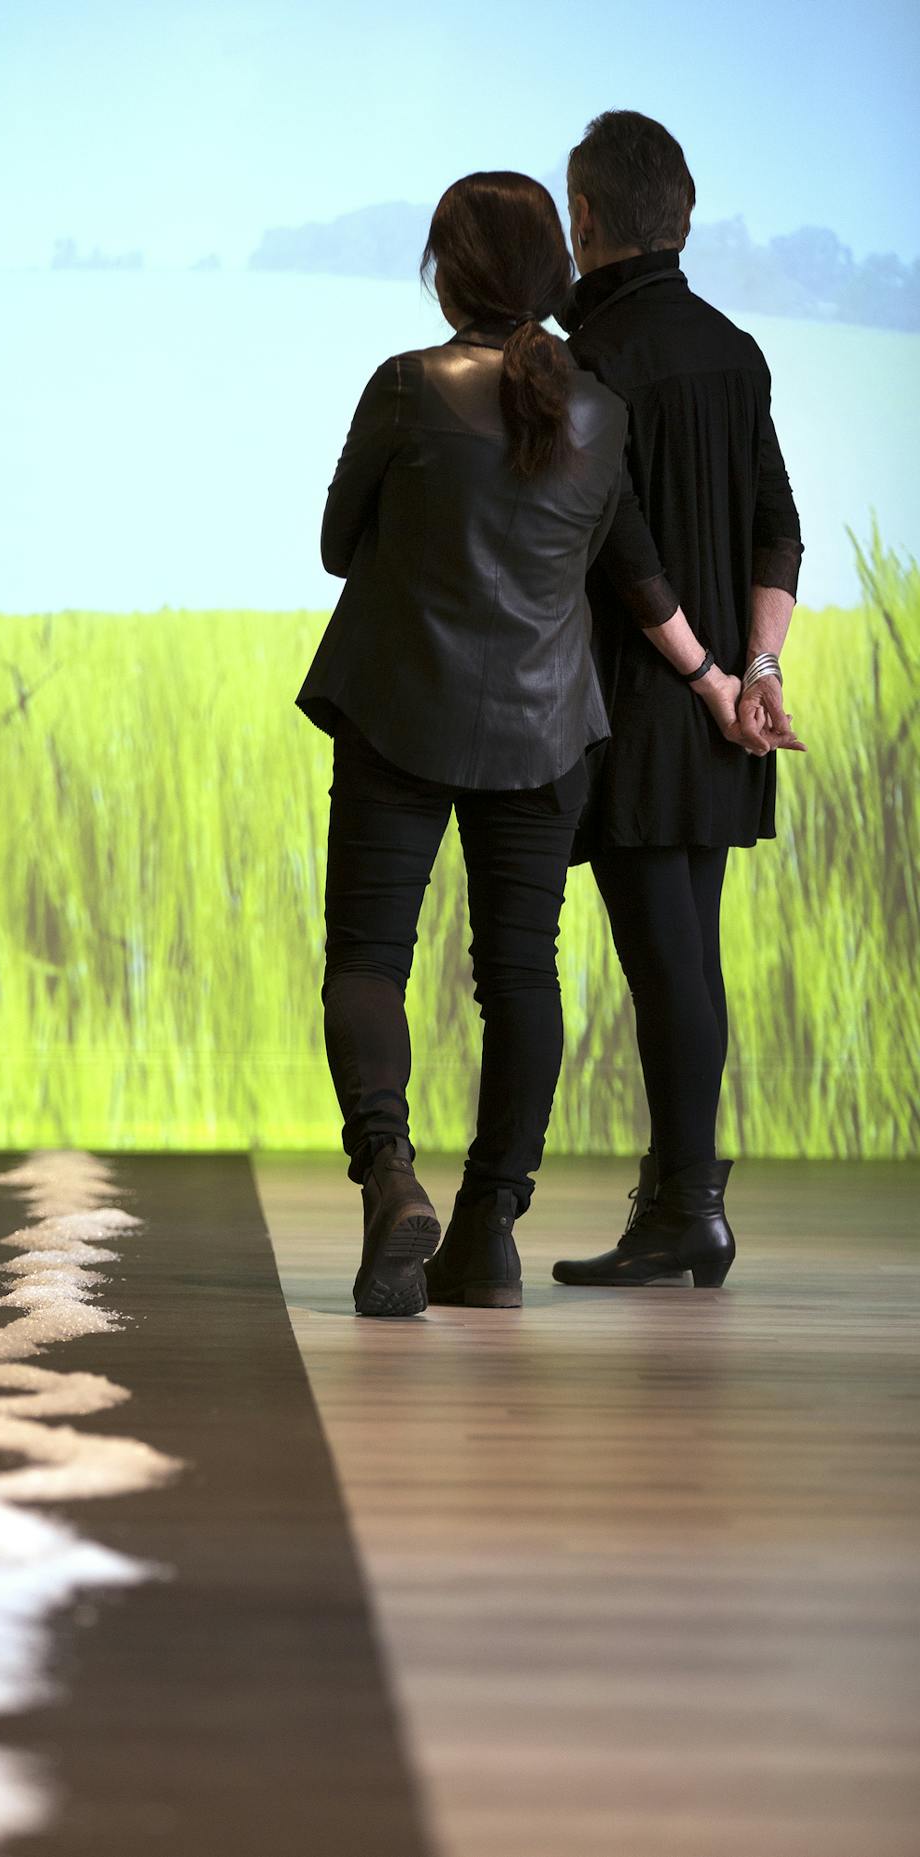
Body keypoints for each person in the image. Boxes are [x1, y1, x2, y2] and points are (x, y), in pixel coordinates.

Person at [295, 171, 697, 1318]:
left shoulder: (406, 387)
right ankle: (488, 1233)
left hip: (396, 715)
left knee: (369, 957)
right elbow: (620, 568)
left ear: (448, 274)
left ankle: (387, 1178)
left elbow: (335, 546)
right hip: (544, 734)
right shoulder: (599, 411)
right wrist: (726, 677)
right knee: (517, 972)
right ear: (551, 275)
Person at [551, 110, 806, 1290]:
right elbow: (777, 526)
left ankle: (686, 1211)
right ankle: (675, 1202)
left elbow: (619, 543)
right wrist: (754, 674)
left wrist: (703, 676)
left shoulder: (589, 359)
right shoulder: (732, 348)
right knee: (685, 957)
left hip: (647, 706)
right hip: (717, 713)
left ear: (584, 220)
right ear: (685, 214)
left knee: (666, 967)